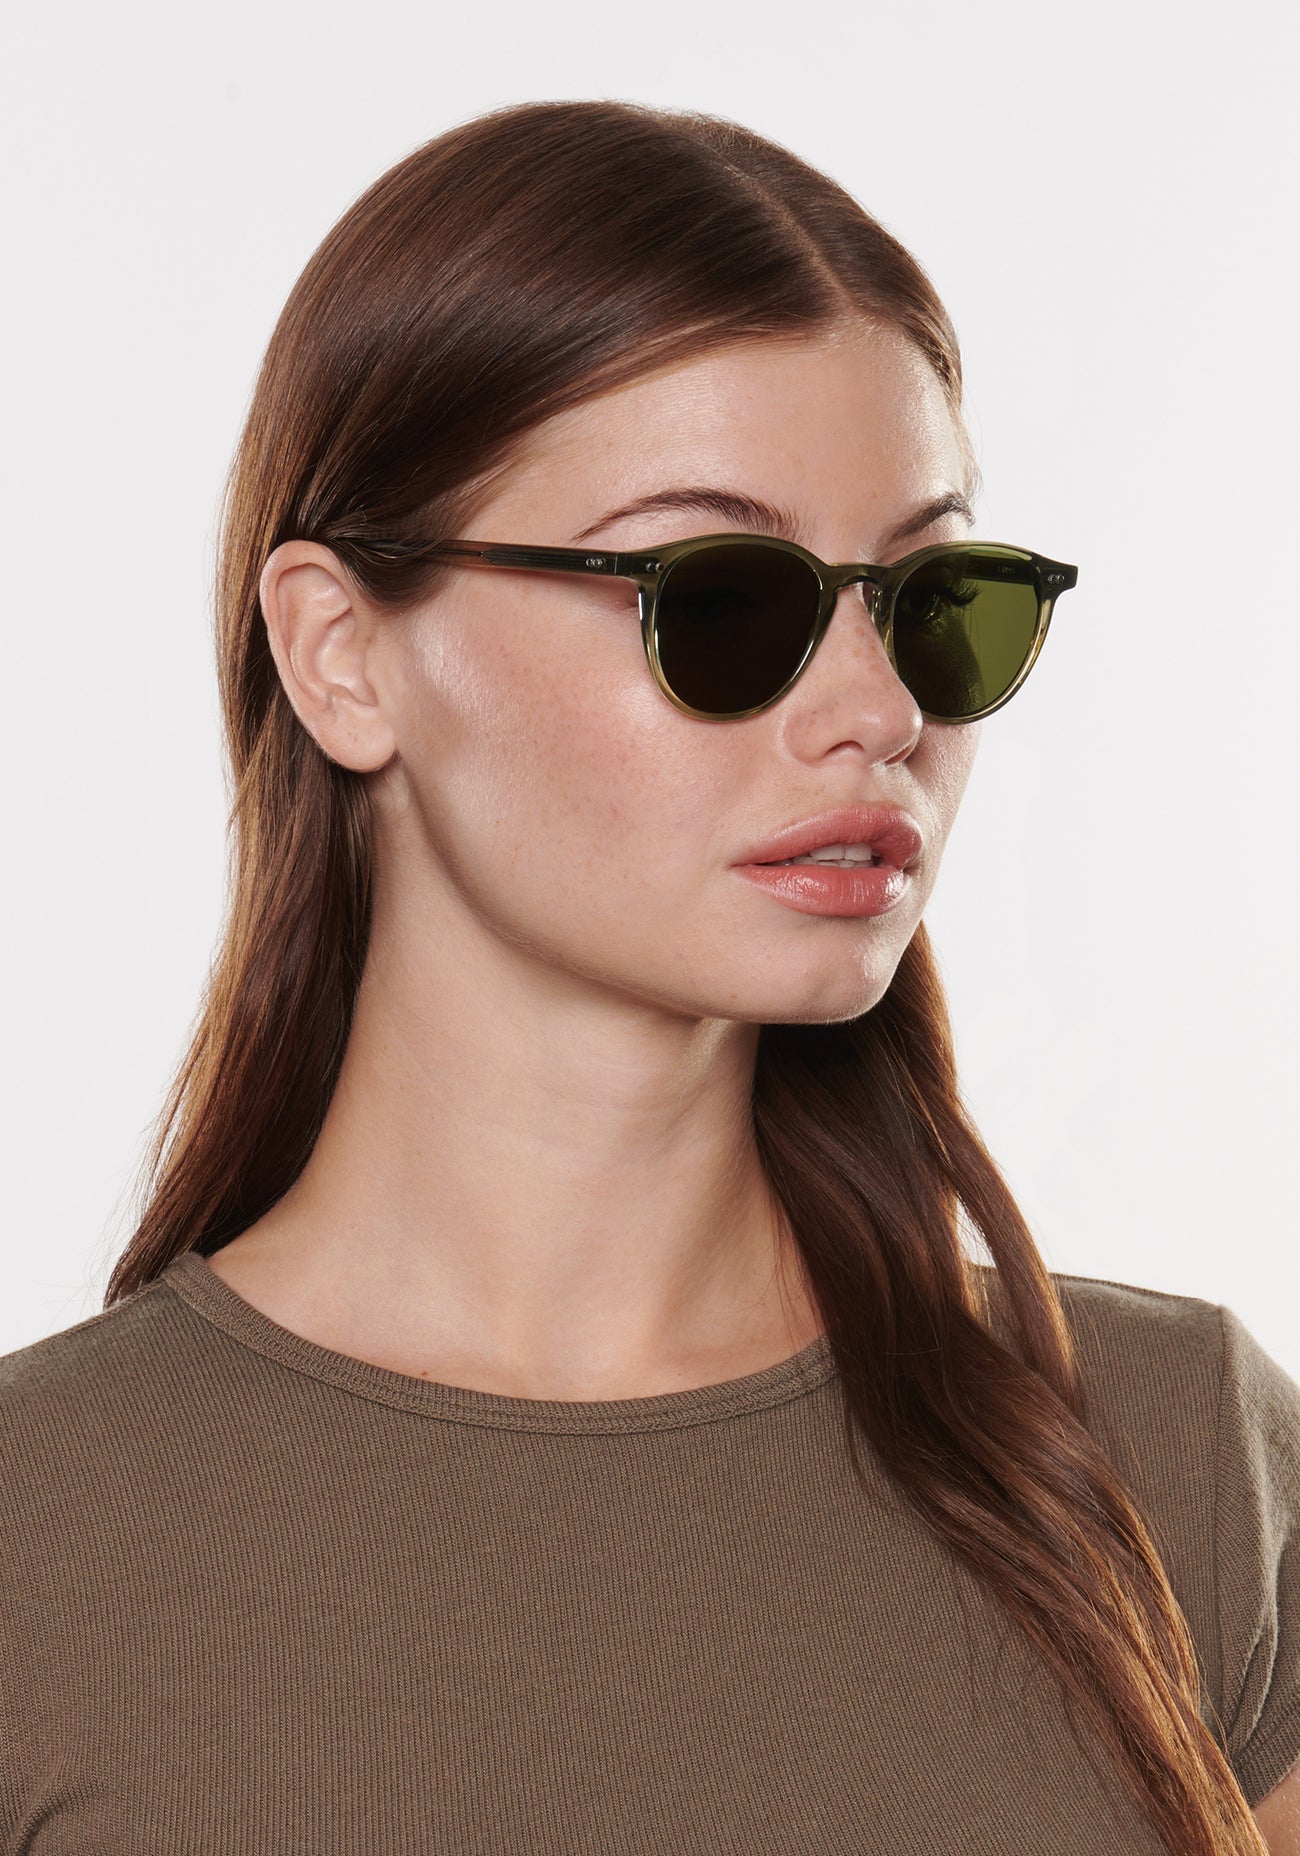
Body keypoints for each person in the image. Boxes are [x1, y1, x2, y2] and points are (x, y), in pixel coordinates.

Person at [1, 98, 1296, 1856]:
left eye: (937, 600)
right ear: (342, 654)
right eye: (724, 600)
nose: (877, 711)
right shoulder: (41, 1540)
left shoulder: (1180, 1464)